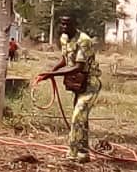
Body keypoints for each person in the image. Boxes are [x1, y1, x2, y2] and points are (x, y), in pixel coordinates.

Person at [35, 15, 101, 163]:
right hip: (77, 84)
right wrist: (50, 72)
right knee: (81, 119)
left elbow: (78, 66)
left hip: (90, 84)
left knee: (77, 116)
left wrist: (51, 74)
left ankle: (72, 153)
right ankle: (83, 153)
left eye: (68, 24)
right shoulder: (64, 39)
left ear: (75, 24)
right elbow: (65, 60)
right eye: (63, 24)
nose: (64, 27)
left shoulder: (83, 40)